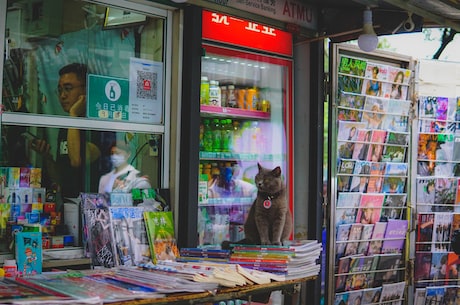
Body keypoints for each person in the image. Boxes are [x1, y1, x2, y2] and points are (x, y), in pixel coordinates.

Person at [33, 63, 100, 201]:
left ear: (86, 90)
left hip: (92, 206)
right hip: (67, 203)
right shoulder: (66, 127)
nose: (63, 95)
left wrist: (74, 114)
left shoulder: (98, 126)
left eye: (68, 89)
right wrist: (47, 157)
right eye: (60, 90)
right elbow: (61, 178)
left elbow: (76, 160)